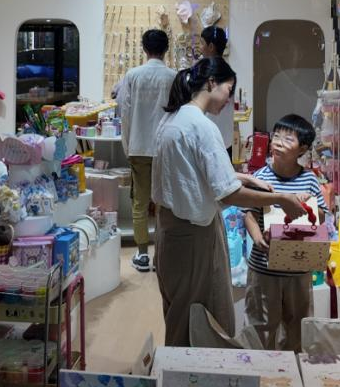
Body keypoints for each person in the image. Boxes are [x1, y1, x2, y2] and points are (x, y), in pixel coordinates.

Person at [152, 57, 307, 347]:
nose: (229, 98)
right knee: (197, 316)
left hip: (169, 230)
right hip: (193, 235)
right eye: (229, 89)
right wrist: (281, 198)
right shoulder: (202, 126)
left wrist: (243, 177)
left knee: (179, 310)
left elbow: (192, 172)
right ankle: (189, 368)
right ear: (212, 83)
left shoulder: (172, 119)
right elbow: (229, 194)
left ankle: (178, 365)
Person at [242, 113, 327, 352]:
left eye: (287, 139)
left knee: (297, 327)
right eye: (276, 136)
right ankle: (261, 368)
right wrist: (256, 237)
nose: (278, 143)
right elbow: (248, 213)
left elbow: (322, 216)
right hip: (263, 267)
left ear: (303, 149)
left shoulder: (309, 180)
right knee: (261, 327)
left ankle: (291, 368)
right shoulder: (260, 178)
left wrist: (308, 204)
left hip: (299, 268)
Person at [116, 29, 179, 272]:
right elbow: (179, 114)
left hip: (139, 147)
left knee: (140, 203)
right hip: (166, 148)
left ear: (144, 48)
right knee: (165, 204)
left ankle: (142, 254)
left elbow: (125, 113)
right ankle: (162, 254)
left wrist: (128, 146)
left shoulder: (133, 75)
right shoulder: (173, 77)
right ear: (166, 49)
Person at [200, 25, 236, 154]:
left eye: (202, 43)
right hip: (225, 139)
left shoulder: (205, 72)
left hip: (208, 140)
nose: (200, 48)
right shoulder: (229, 71)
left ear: (211, 47)